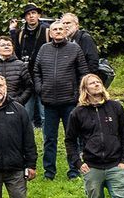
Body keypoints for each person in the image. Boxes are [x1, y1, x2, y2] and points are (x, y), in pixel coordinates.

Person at [30, 18, 89, 180]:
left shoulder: (74, 48)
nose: (57, 32)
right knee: (49, 138)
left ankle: (74, 170)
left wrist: (78, 94)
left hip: (69, 102)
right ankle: (49, 172)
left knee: (72, 137)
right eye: (54, 29)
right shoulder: (43, 49)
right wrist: (40, 89)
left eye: (61, 29)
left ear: (65, 32)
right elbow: (36, 72)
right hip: (49, 102)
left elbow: (83, 72)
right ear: (50, 33)